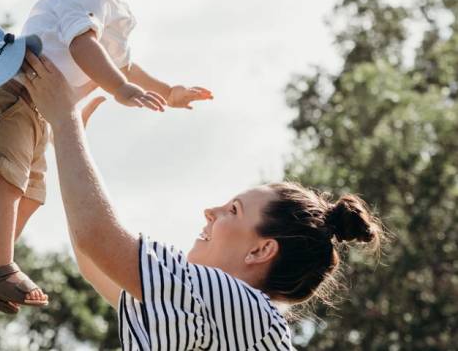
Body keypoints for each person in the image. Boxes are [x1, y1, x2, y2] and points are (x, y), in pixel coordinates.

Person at [19, 50, 384, 350]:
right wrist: (67, 141)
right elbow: (94, 260)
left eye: (233, 211)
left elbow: (97, 240)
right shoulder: (218, 314)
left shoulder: (242, 306)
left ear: (260, 251)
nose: (210, 211)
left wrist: (65, 121)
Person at [0, 0, 213, 313]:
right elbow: (82, 47)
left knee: (33, 193)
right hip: (12, 93)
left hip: (37, 107)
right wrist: (117, 88)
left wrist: (168, 91)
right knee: (9, 182)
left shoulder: (112, 6)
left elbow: (124, 65)